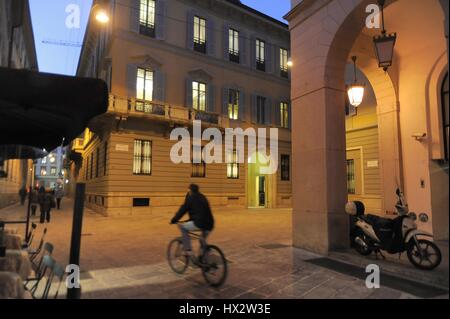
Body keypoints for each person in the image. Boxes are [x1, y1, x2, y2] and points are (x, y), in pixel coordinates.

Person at [170, 184, 214, 257]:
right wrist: (190, 220)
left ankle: (188, 249)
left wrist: (174, 219)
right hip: (210, 224)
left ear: (190, 190)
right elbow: (199, 211)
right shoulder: (202, 196)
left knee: (182, 227)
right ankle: (205, 256)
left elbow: (182, 210)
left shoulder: (191, 198)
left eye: (188, 190)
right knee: (202, 239)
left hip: (199, 223)